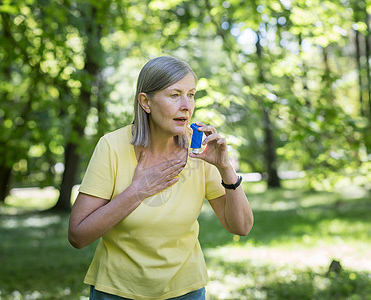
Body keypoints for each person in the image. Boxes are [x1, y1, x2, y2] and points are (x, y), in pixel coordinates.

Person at [68, 56, 254, 300]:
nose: (187, 105)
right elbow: (78, 236)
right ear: (145, 102)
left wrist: (225, 169)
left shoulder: (199, 151)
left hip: (185, 291)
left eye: (191, 94)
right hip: (117, 291)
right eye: (175, 95)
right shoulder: (112, 146)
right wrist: (137, 191)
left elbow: (240, 227)